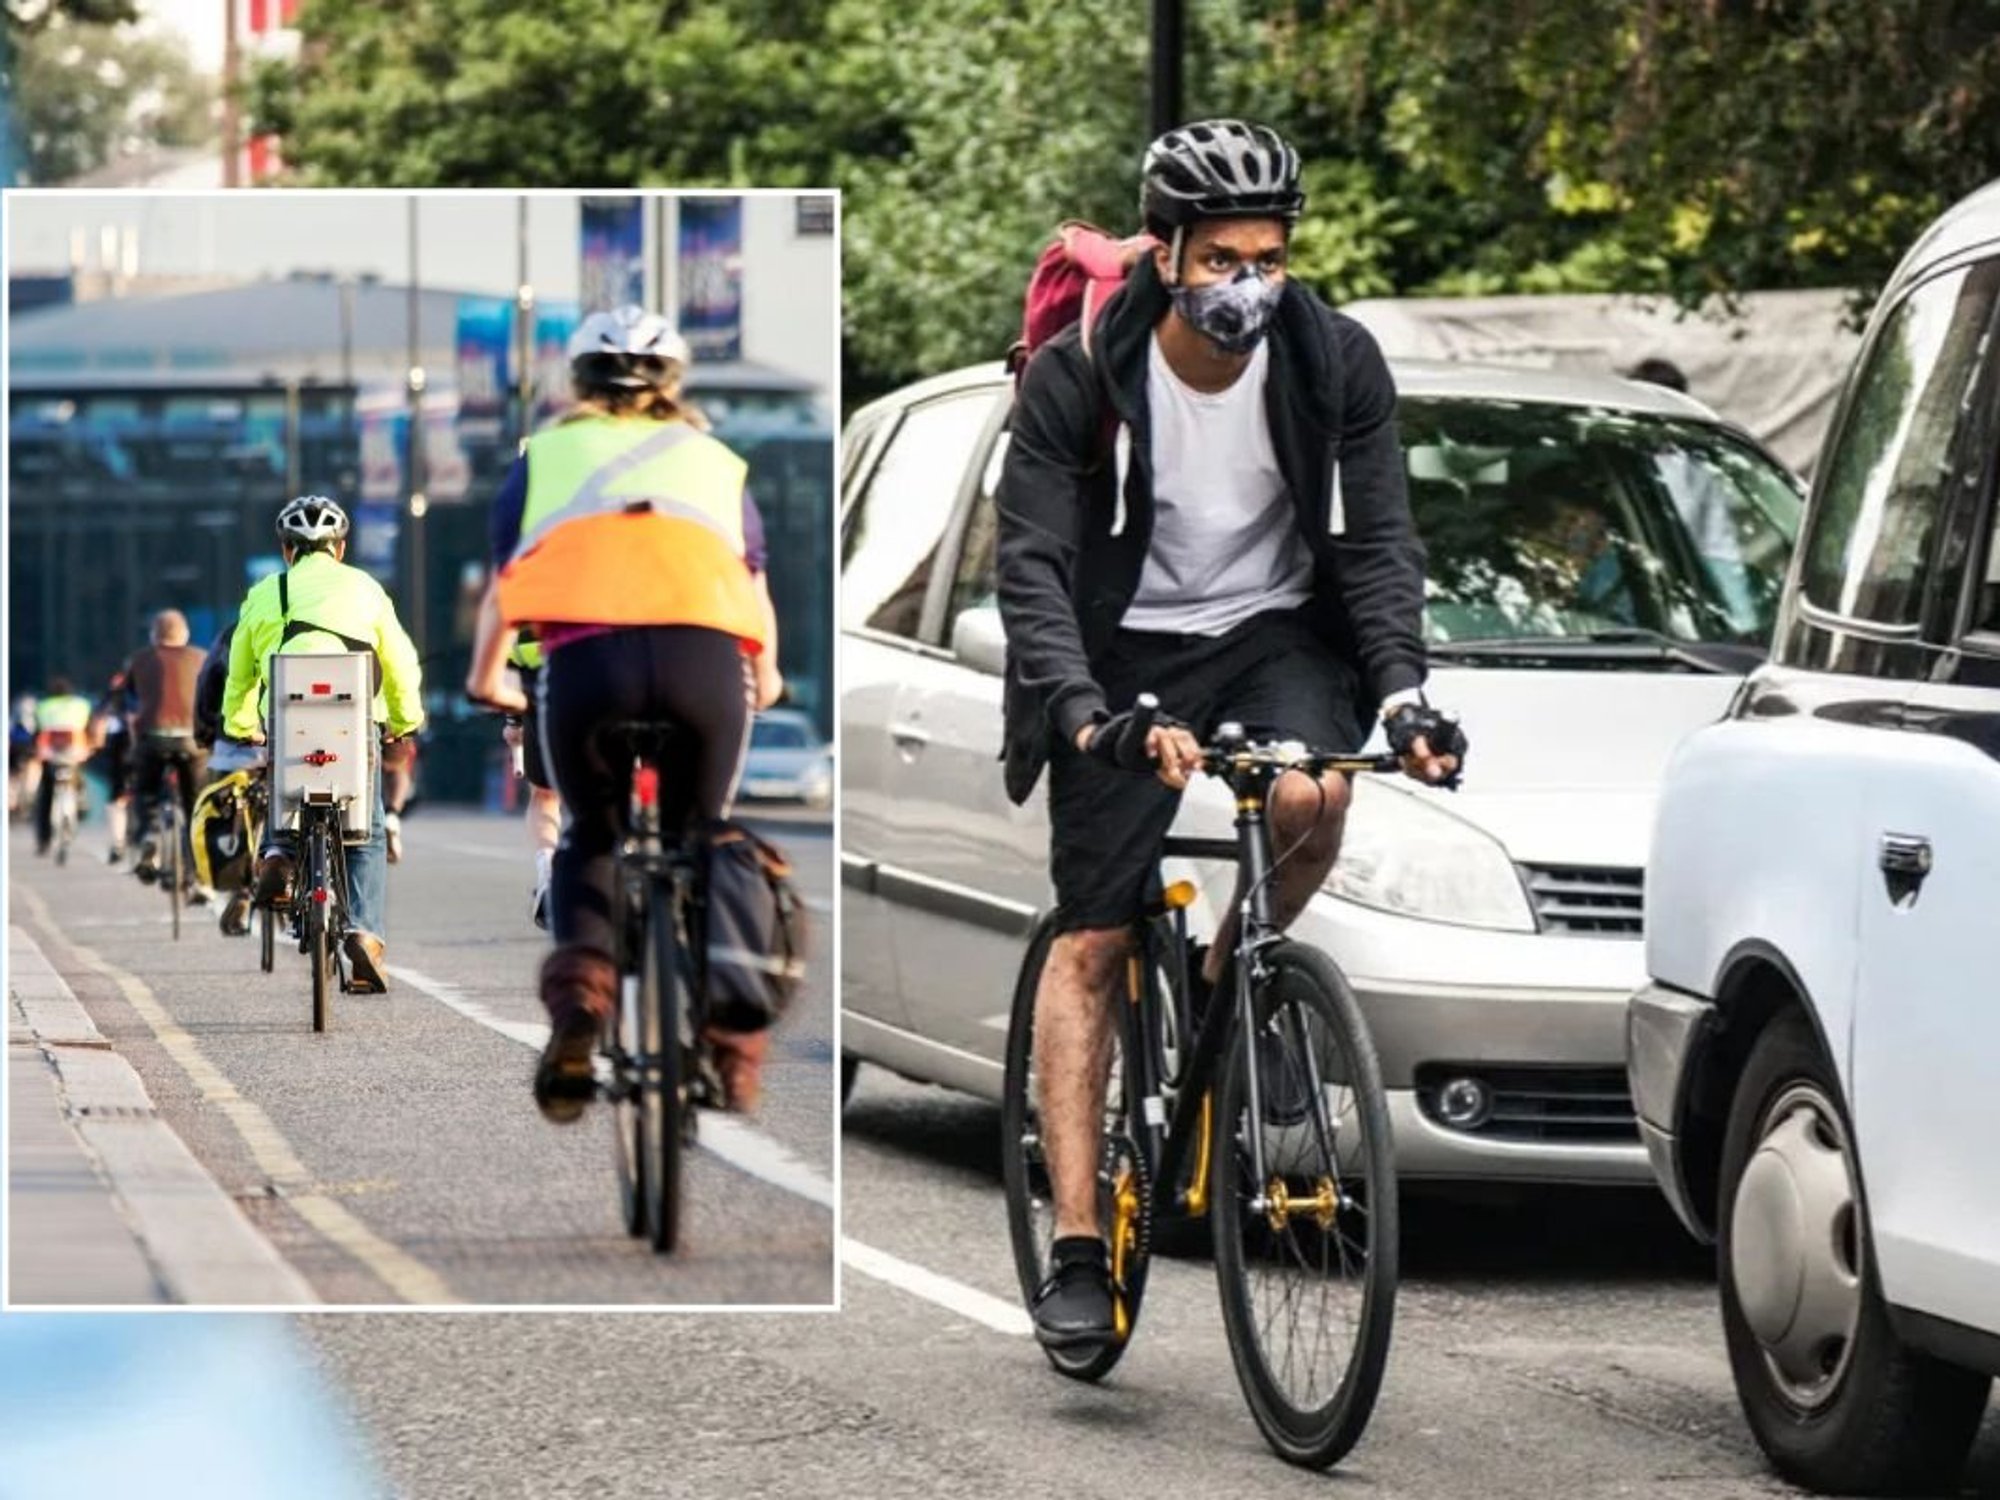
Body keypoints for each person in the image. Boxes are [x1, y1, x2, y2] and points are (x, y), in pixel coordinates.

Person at [996, 119, 1467, 1351]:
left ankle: (1233, 983)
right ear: (1165, 254)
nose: (1245, 284)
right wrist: (1087, 715)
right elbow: (1033, 565)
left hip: (1269, 630)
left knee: (1314, 797)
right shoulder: (1079, 377)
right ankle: (1079, 1244)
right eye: (1220, 260)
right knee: (1091, 941)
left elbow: (1374, 545)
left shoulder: (1331, 360)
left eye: (1266, 256)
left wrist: (1405, 691)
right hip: (1116, 645)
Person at [465, 304, 783, 1122]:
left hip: (589, 665)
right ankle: (731, 1042)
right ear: (673, 385)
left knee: (594, 836)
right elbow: (751, 581)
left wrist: (488, 674)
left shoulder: (544, 458)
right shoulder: (717, 460)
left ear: (576, 383)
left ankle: (581, 1008)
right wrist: (769, 673)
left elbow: (509, 578)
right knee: (709, 831)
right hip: (703, 660)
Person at [223, 496, 425, 992]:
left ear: (287, 550)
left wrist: (240, 721)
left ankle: (277, 856)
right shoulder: (366, 588)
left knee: (282, 783)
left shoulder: (266, 592)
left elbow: (241, 668)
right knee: (368, 830)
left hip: (288, 711)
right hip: (355, 719)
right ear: (340, 548)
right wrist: (405, 719)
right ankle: (365, 935)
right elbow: (400, 662)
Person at [115, 609, 210, 895]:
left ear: (154, 636)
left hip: (151, 738)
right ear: (185, 634)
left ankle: (150, 837)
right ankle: (196, 870)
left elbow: (126, 699)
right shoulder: (200, 658)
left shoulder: (140, 659)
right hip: (191, 741)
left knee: (145, 793)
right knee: (196, 804)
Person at [31, 677, 95, 855]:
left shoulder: (43, 706)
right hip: (75, 749)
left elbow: (37, 733)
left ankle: (44, 839)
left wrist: (33, 751)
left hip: (49, 751)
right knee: (78, 776)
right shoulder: (81, 705)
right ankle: (81, 802)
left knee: (46, 793)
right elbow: (89, 729)